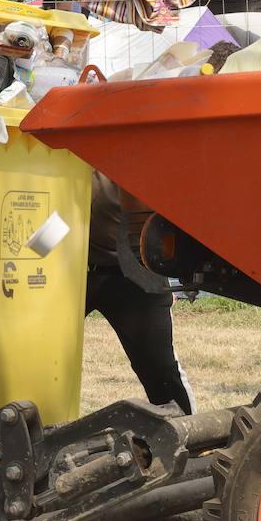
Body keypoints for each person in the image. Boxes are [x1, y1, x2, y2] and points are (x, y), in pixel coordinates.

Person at [86, 172, 195, 416]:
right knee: (36, 357)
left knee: (161, 371)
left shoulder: (129, 151)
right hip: (70, 269)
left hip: (135, 270)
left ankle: (190, 437)